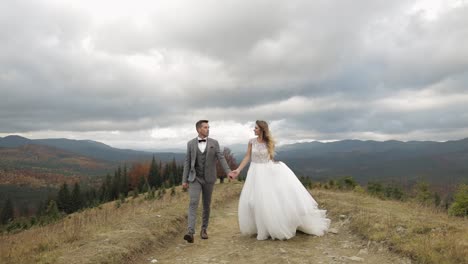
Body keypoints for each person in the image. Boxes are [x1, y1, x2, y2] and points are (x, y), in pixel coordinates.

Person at [229, 120, 331, 240]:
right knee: (253, 201)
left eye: (256, 128)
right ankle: (261, 228)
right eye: (254, 128)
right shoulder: (251, 142)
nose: (254, 129)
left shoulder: (269, 143)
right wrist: (238, 170)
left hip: (267, 172)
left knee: (268, 201)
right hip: (254, 172)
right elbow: (247, 157)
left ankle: (271, 227)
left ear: (262, 129)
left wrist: (275, 168)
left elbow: (270, 158)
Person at [182, 120, 233, 243]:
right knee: (193, 202)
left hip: (209, 178)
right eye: (205, 127)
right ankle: (190, 232)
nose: (208, 129)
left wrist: (228, 172)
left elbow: (221, 158)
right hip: (195, 178)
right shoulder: (190, 144)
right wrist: (184, 180)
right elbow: (187, 162)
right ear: (199, 129)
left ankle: (204, 229)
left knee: (206, 204)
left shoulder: (214, 143)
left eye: (208, 127)